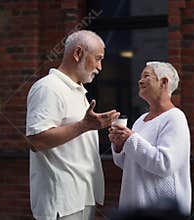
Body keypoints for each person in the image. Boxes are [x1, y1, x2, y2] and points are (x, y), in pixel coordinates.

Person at [26, 30, 120, 220]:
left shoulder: (78, 91)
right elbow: (36, 140)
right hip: (62, 201)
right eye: (98, 58)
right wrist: (84, 125)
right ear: (78, 53)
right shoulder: (48, 88)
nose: (100, 67)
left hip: (82, 197)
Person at [108, 61, 192, 215]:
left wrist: (130, 139)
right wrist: (119, 146)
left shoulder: (175, 117)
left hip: (160, 211)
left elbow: (165, 164)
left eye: (146, 76)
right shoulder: (141, 120)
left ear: (164, 82)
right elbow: (126, 163)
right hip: (134, 208)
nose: (140, 81)